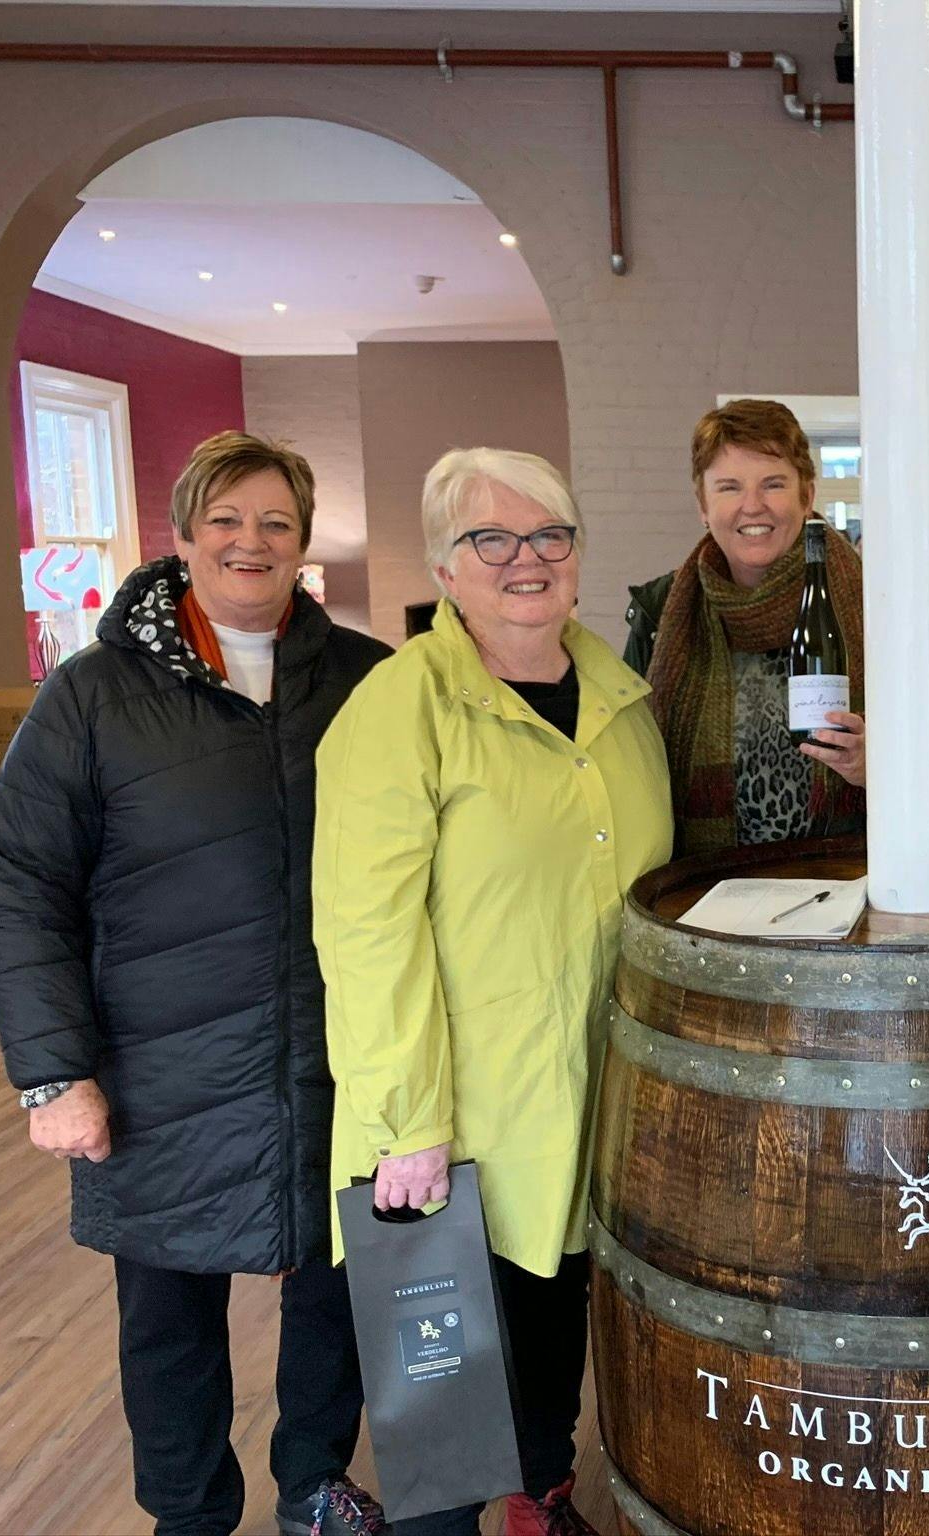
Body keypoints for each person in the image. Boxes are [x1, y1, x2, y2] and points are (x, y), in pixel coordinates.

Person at [0, 431, 392, 1536]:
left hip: (338, 1057)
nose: (249, 542)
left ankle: (313, 1480)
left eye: (273, 522)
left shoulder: (368, 681)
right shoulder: (93, 695)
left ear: (302, 540)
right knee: (166, 1310)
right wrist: (52, 1072)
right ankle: (188, 1513)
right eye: (226, 520)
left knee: (334, 1289)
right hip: (159, 1066)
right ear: (183, 535)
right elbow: (21, 885)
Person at [313, 448, 673, 1536]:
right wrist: (405, 1123)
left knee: (552, 1332)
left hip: (584, 1098)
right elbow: (366, 933)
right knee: (445, 1404)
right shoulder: (399, 709)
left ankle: (542, 1499)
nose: (527, 559)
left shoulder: (616, 694)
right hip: (455, 1114)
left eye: (549, 535)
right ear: (446, 565)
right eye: (491, 539)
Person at [622, 398, 865, 853]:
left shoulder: (878, 605)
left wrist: (882, 767)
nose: (753, 506)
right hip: (705, 892)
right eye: (729, 487)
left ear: (807, 495)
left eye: (773, 484)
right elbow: (629, 765)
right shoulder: (660, 612)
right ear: (703, 504)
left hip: (848, 882)